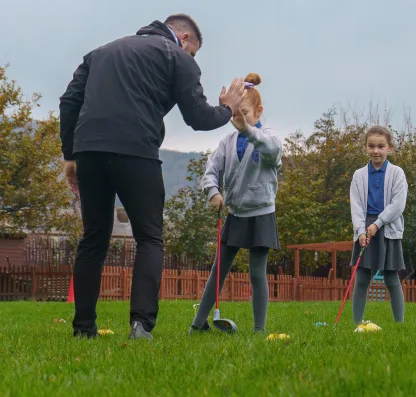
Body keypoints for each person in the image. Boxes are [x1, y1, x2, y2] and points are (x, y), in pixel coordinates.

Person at [59, 14, 248, 340]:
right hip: (136, 152)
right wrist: (228, 108)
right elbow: (198, 117)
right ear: (185, 38)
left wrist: (70, 156)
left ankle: (83, 329)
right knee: (149, 238)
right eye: (194, 53)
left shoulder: (101, 52)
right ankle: (141, 325)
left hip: (88, 149)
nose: (192, 59)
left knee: (93, 239)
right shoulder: (177, 57)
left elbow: (69, 101)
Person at [190, 73, 282, 334]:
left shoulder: (268, 137)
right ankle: (198, 324)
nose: (238, 119)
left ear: (259, 111)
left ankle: (258, 330)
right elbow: (211, 170)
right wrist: (213, 192)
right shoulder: (227, 142)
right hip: (235, 214)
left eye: (245, 113)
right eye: (234, 115)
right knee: (218, 271)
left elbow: (273, 150)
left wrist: (248, 130)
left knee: (256, 274)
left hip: (262, 214)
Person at [349, 126, 408, 324]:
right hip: (364, 229)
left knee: (392, 279)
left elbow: (398, 205)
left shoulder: (397, 173)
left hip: (388, 228)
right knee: (362, 279)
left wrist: (378, 223)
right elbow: (356, 206)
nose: (376, 150)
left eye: (381, 146)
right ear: (366, 147)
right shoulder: (358, 175)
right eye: (371, 146)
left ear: (389, 147)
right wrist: (360, 231)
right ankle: (357, 324)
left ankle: (399, 325)